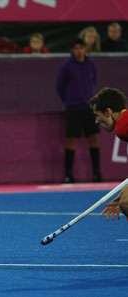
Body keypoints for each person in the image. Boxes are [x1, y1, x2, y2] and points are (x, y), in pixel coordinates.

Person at [56, 39, 101, 183]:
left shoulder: (91, 64)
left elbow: (93, 81)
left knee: (93, 138)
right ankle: (68, 175)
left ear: (85, 49)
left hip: (89, 108)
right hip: (73, 108)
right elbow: (60, 86)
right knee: (71, 140)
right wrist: (69, 101)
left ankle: (97, 173)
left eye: (81, 48)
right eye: (75, 48)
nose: (78, 51)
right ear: (72, 50)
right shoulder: (67, 66)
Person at [89, 88, 128, 219]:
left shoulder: (123, 127)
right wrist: (118, 199)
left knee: (126, 202)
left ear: (108, 112)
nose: (96, 121)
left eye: (97, 115)